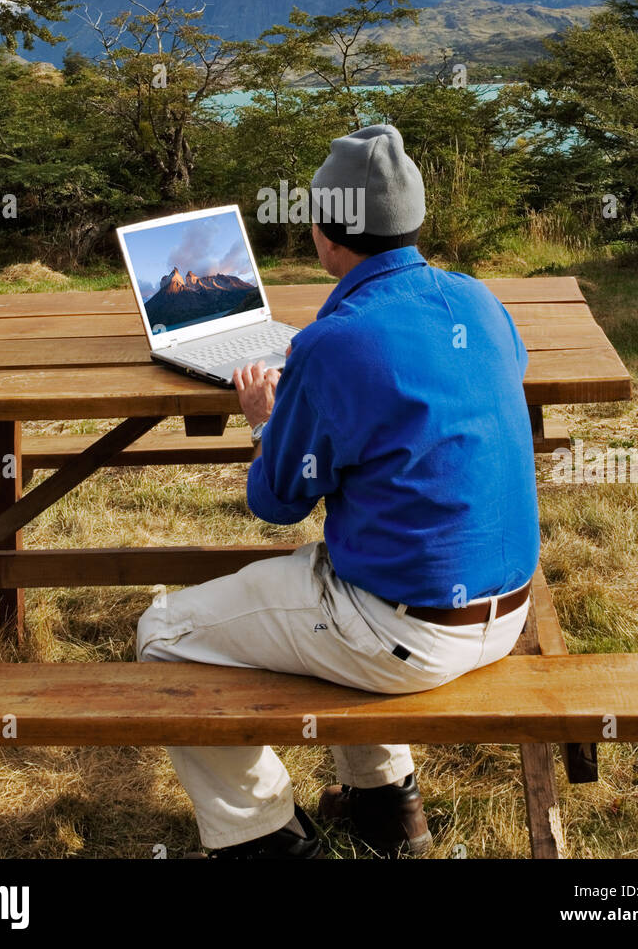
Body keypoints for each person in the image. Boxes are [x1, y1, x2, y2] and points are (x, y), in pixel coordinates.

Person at [137, 124, 540, 859]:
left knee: (163, 636)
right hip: (506, 614)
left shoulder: (330, 341)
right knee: (343, 575)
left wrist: (268, 421)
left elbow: (277, 503)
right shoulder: (479, 302)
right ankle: (387, 806)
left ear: (325, 235)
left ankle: (263, 838)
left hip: (410, 635)